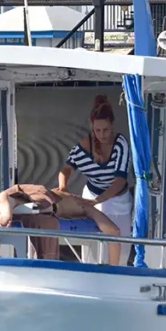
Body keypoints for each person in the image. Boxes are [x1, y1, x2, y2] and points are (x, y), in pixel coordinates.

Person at [0, 184, 122, 264]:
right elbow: (113, 230)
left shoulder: (66, 195)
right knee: (41, 208)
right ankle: (9, 203)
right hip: (42, 197)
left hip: (23, 189)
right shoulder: (85, 205)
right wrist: (114, 269)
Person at [58, 94, 134, 264]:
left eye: (105, 130)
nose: (102, 134)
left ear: (112, 126)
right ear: (92, 128)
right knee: (92, 249)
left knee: (120, 245)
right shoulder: (84, 145)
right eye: (98, 130)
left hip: (117, 200)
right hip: (92, 197)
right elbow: (66, 169)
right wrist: (63, 188)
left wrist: (97, 201)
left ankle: (117, 275)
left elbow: (119, 181)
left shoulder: (121, 144)